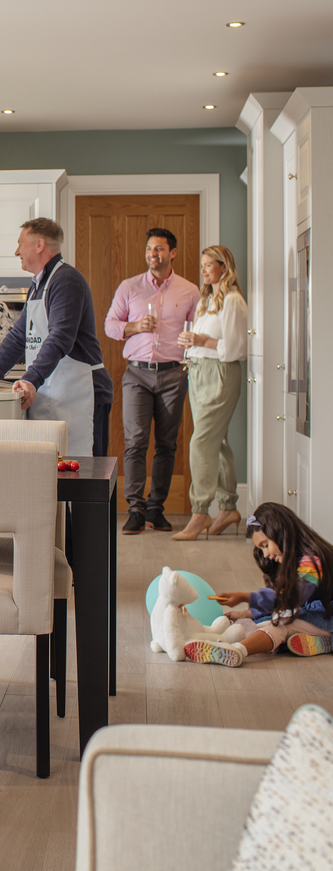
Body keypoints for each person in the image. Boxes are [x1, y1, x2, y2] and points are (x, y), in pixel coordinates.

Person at [0, 218, 113, 458]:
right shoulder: (38, 285)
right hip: (54, 390)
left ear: (39, 244)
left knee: (88, 479)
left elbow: (60, 337)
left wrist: (32, 378)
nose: (16, 251)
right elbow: (18, 337)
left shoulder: (66, 280)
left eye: (20, 244)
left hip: (83, 393)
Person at [105, 228, 199, 535]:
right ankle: (135, 509)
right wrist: (134, 326)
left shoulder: (189, 291)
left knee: (167, 445)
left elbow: (198, 330)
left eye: (159, 249)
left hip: (174, 373)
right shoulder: (130, 286)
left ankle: (156, 509)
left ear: (172, 253)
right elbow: (110, 325)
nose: (152, 254)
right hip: (137, 374)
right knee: (135, 443)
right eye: (149, 249)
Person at [185, 502, 333, 666]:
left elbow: (292, 598)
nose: (266, 554)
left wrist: (246, 597)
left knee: (280, 623)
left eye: (265, 545)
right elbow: (280, 600)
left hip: (327, 618)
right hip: (314, 617)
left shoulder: (312, 562)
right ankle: (320, 641)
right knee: (257, 622)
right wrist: (245, 614)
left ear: (280, 533)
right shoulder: (294, 559)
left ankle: (236, 650)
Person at [173, 245, 247, 541]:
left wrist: (202, 339)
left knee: (201, 442)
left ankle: (200, 510)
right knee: (218, 441)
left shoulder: (232, 301)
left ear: (224, 267)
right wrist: (192, 343)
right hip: (199, 372)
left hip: (220, 375)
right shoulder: (208, 301)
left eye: (208, 265)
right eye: (202, 265)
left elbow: (235, 349)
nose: (203, 270)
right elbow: (205, 342)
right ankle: (228, 507)